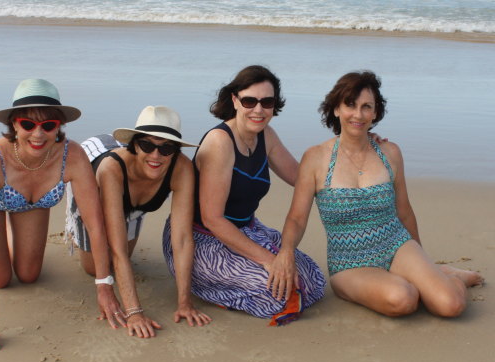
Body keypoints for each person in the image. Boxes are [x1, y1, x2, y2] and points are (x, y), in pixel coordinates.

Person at [277, 70, 484, 317]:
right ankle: (439, 275)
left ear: (375, 113)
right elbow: (297, 218)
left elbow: (404, 210)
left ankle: (449, 277)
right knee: (403, 299)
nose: (358, 114)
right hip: (350, 263)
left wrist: (422, 262)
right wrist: (286, 252)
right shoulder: (315, 158)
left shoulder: (390, 153)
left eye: (367, 107)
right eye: (350, 105)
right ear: (336, 109)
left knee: (451, 305)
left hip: (397, 245)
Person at [0, 79, 122, 351]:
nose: (38, 134)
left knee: (28, 274)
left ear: (59, 126)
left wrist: (104, 286)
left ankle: (1, 225)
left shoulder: (73, 156)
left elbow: (95, 224)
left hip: (32, 202)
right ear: (14, 125)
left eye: (48, 125)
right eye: (28, 124)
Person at [163, 65, 326, 326]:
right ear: (235, 100)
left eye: (267, 102)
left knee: (311, 280)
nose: (258, 110)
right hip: (202, 238)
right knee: (279, 294)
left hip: (245, 229)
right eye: (250, 101)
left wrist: (353, 146)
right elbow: (213, 219)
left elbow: (302, 178)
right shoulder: (220, 142)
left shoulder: (266, 136)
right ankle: (209, 287)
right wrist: (270, 261)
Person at [66, 106, 211, 338]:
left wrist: (185, 302)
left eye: (166, 148)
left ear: (175, 150)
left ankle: (124, 218)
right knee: (95, 267)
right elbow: (117, 250)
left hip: (134, 205)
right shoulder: (111, 168)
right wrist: (134, 312)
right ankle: (76, 227)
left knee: (121, 257)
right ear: (135, 143)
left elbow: (182, 239)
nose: (156, 155)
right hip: (93, 174)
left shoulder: (181, 168)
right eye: (147, 145)